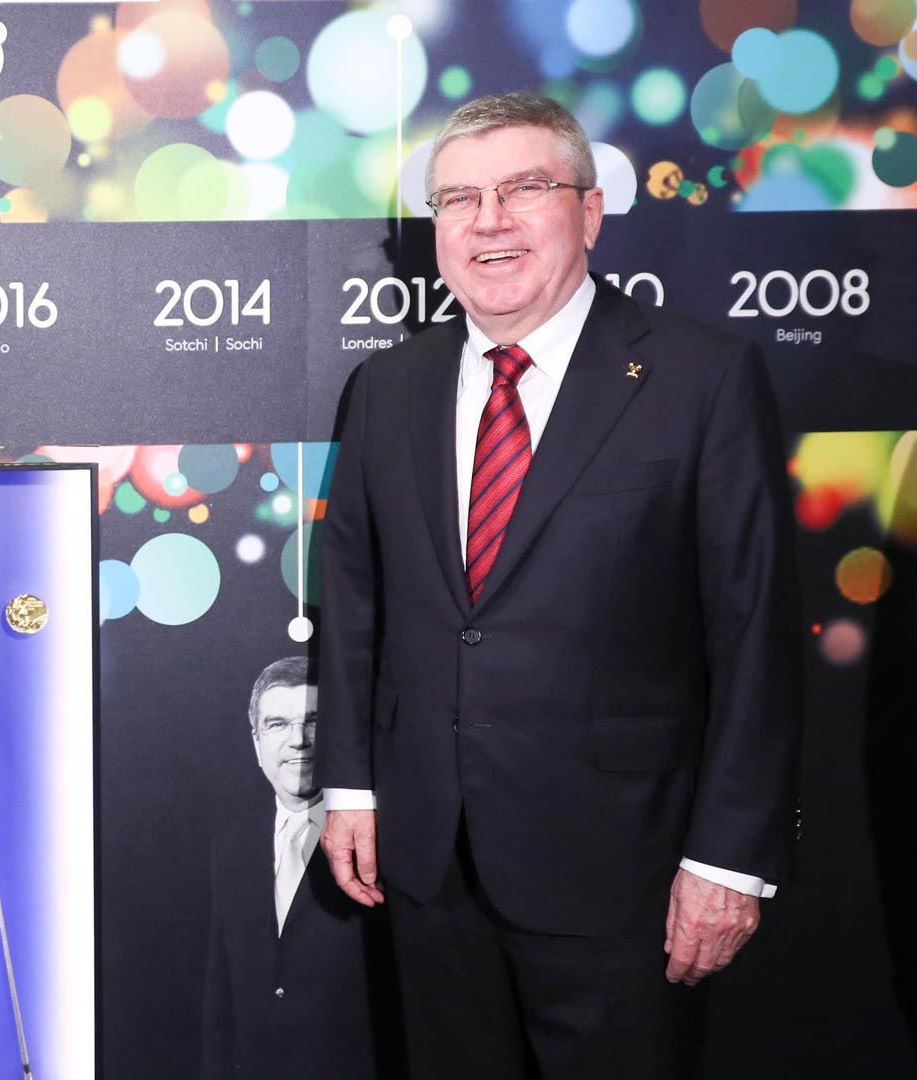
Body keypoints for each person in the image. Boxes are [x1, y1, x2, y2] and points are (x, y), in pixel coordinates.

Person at [316, 91, 801, 1078]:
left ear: (589, 211)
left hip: (625, 874)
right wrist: (352, 786)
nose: (487, 220)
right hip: (430, 865)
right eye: (458, 199)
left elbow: (755, 635)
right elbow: (356, 605)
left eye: (524, 188)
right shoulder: (386, 389)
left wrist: (727, 859)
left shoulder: (702, 378)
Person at [201, 657, 396, 1079]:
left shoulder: (384, 838)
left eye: (314, 722)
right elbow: (221, 999)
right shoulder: (229, 848)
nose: (298, 741)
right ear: (256, 743)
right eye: (277, 725)